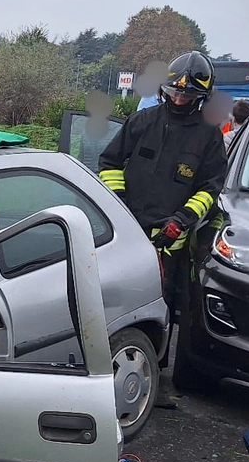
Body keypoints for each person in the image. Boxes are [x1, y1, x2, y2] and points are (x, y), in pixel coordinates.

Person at [98, 51, 228, 349]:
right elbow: (110, 162)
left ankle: (153, 362)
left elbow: (211, 188)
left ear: (202, 97)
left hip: (169, 241)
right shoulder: (142, 122)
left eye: (188, 95)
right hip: (125, 232)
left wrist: (181, 220)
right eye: (174, 93)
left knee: (159, 306)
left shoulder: (208, 136)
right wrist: (118, 202)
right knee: (115, 300)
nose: (179, 100)